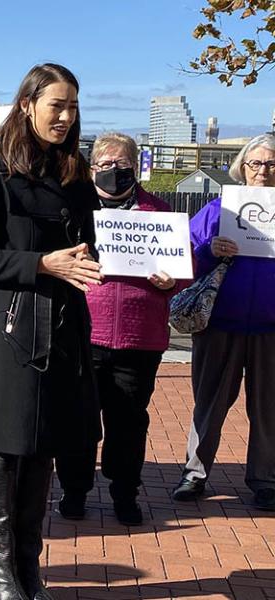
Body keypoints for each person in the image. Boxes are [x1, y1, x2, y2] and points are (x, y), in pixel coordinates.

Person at [0, 63, 103, 600]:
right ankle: (0, 573)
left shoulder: (74, 172)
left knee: (45, 447)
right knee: (7, 442)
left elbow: (88, 251)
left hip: (66, 328)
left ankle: (28, 567)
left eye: (72, 107)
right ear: (27, 105)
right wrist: (43, 263)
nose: (65, 117)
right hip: (16, 328)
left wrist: (133, 267)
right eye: (55, 106)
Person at [53, 132, 181, 526]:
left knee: (128, 422)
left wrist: (171, 281)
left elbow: (182, 270)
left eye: (121, 164)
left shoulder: (159, 213)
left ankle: (125, 493)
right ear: (92, 168)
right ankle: (74, 490)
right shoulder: (74, 211)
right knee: (77, 419)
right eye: (105, 163)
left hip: (139, 339)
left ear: (135, 167)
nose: (113, 170)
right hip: (82, 333)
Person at [172, 133, 275, 511]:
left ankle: (266, 480)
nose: (262, 171)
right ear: (242, 169)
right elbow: (181, 258)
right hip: (219, 323)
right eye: (255, 163)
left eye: (271, 164)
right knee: (209, 402)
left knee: (269, 409)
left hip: (271, 327)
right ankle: (194, 474)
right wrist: (209, 250)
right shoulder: (219, 210)